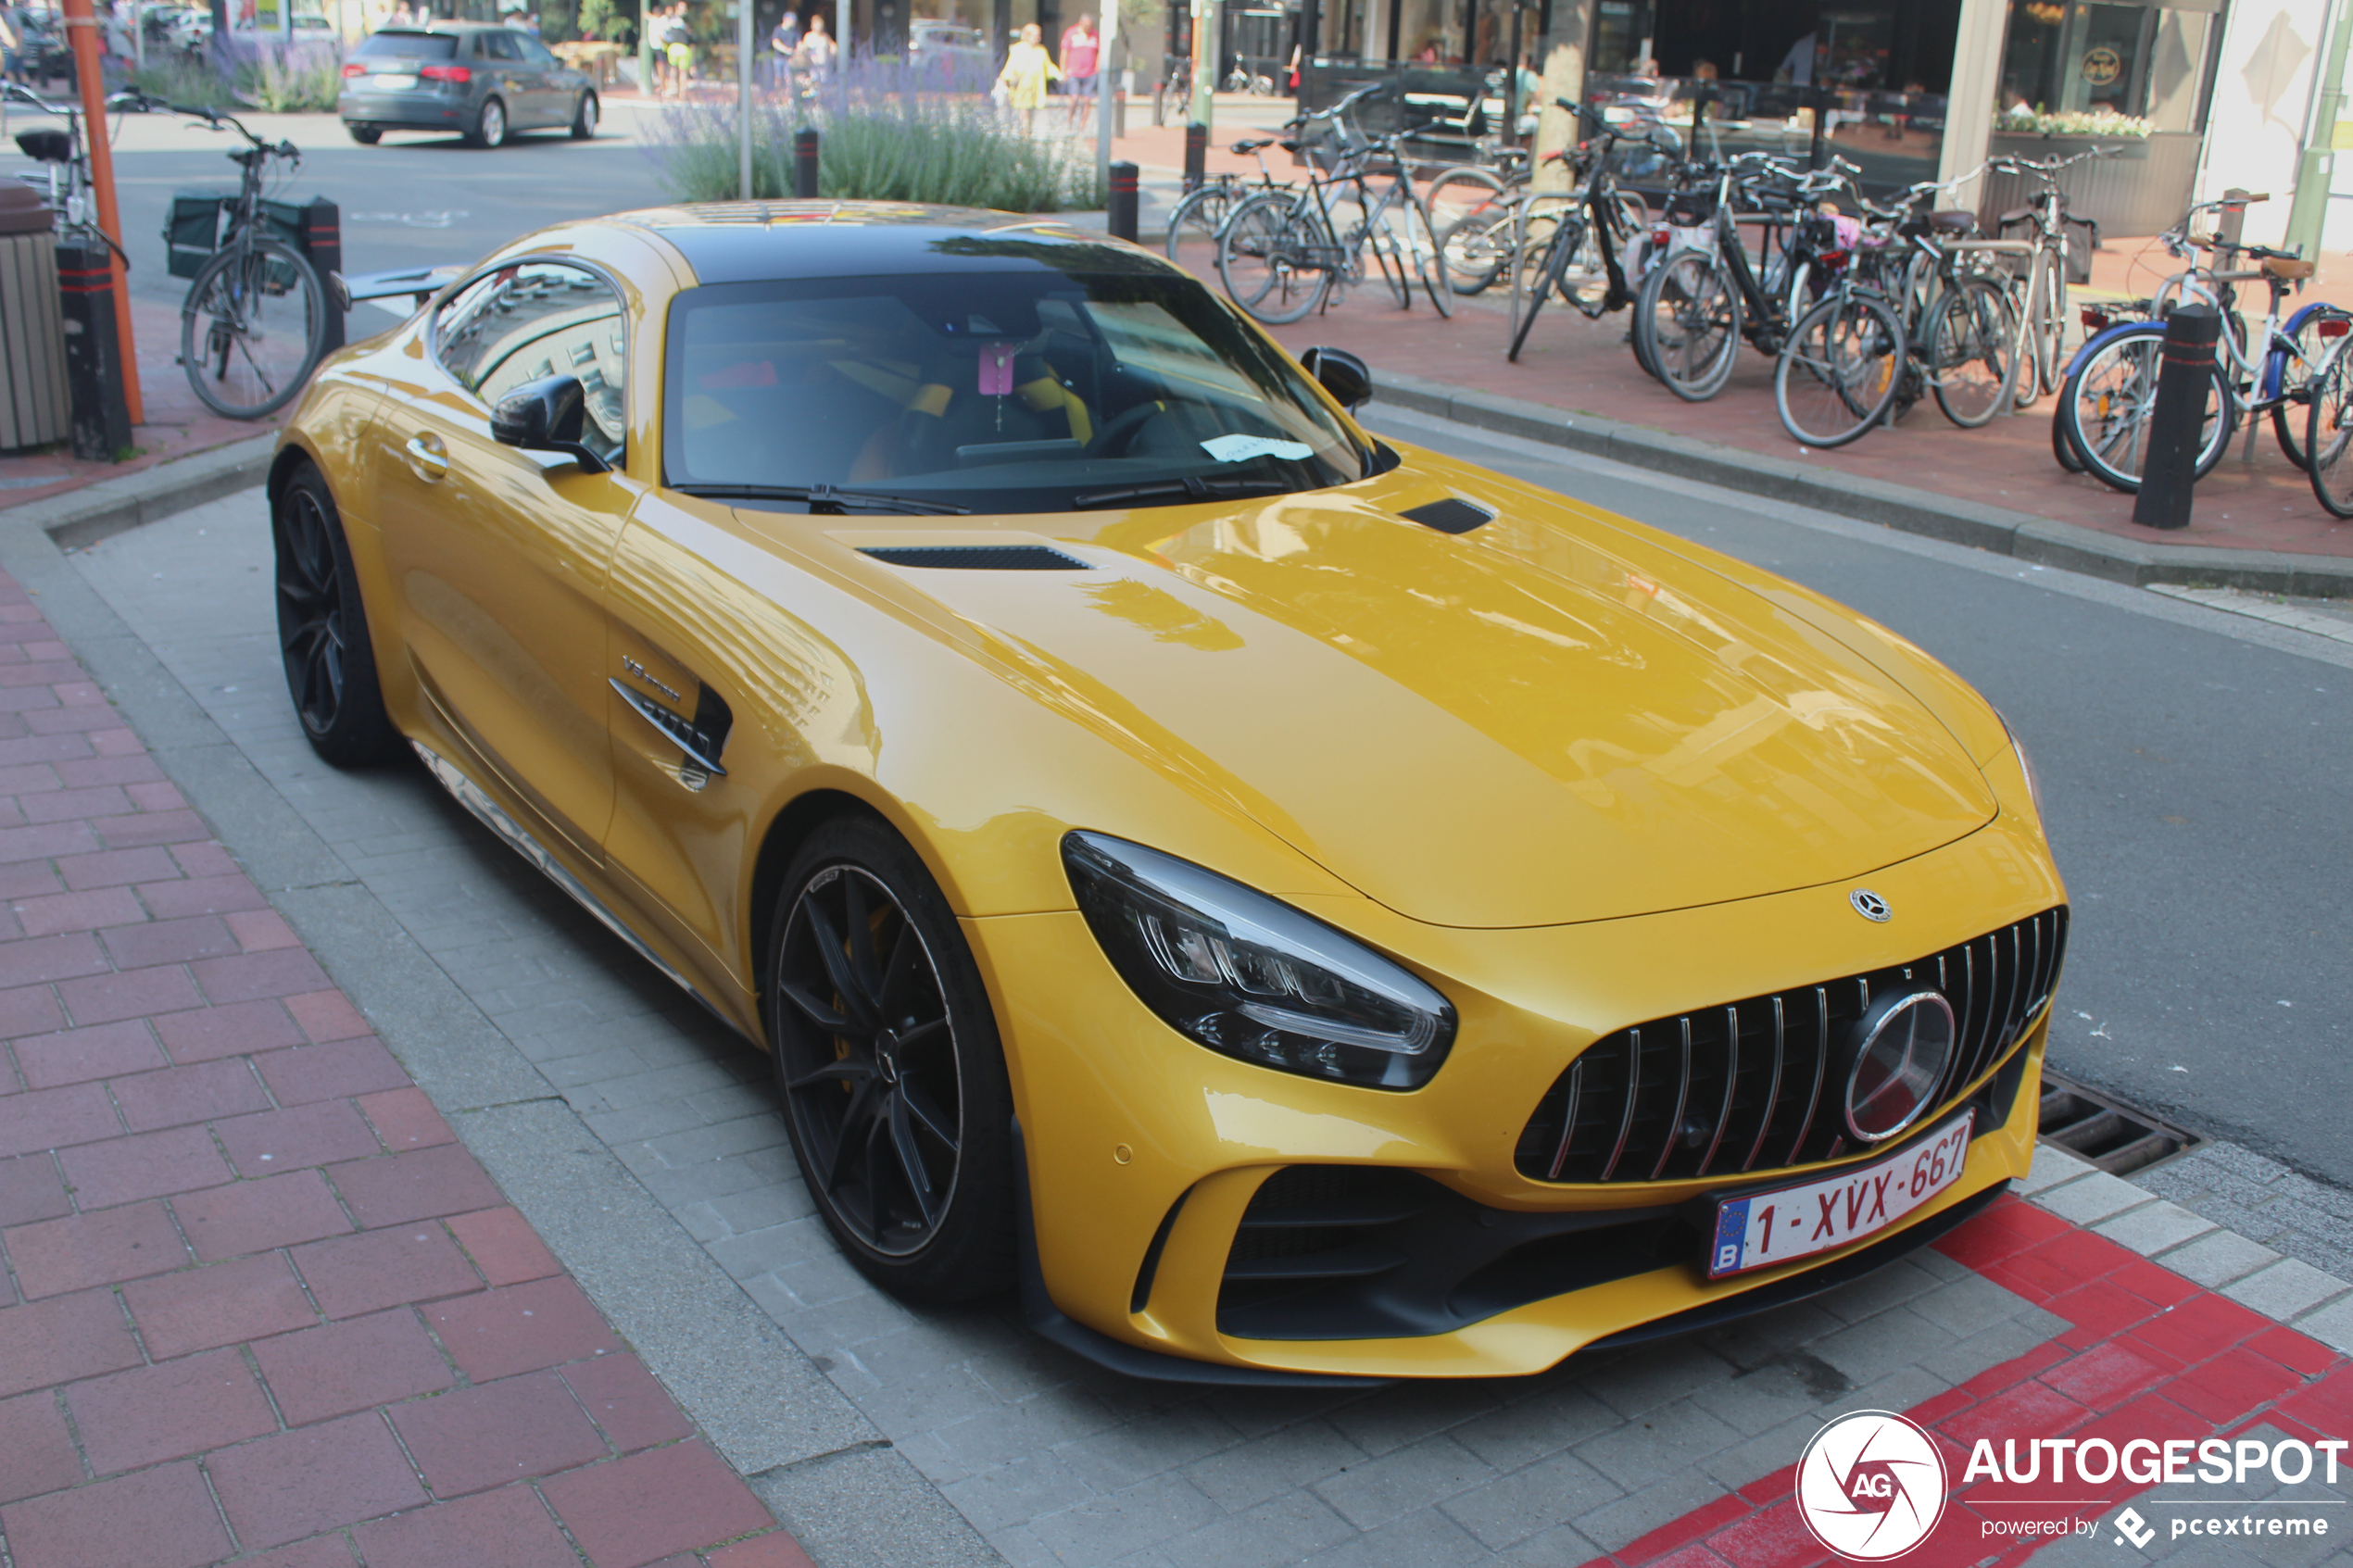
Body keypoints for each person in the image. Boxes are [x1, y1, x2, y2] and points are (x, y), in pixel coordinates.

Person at [995, 21, 1060, 135]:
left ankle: (1026, 133)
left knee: (1032, 112)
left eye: (1039, 35)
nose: (1038, 38)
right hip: (1022, 87)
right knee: (1024, 111)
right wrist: (1004, 79)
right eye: (1036, 35)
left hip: (1036, 88)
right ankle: (1025, 134)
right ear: (1028, 35)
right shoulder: (1018, 48)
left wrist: (1060, 75)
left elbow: (1048, 66)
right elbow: (1011, 66)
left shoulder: (1042, 50)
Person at [1058, 12, 1097, 126]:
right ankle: (1069, 122)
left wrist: (1097, 68)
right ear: (1081, 23)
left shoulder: (1095, 35)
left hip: (1090, 73)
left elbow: (1098, 52)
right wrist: (1063, 71)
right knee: (1074, 98)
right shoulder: (1071, 33)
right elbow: (1064, 53)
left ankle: (1082, 126)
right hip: (1074, 72)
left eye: (1091, 26)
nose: (1089, 28)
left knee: (1087, 100)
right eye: (1087, 26)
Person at [794, 10, 833, 81]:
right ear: (812, 25)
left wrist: (833, 51)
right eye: (816, 24)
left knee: (824, 81)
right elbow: (803, 47)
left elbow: (833, 46)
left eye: (820, 24)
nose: (818, 26)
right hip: (812, 64)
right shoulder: (808, 36)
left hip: (823, 64)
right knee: (814, 81)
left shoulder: (825, 36)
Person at [770, 6, 798, 84]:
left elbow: (799, 43)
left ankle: (787, 94)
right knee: (778, 77)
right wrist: (786, 50)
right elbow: (775, 42)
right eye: (792, 21)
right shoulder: (778, 30)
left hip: (789, 59)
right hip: (778, 58)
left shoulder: (794, 32)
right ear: (786, 20)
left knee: (788, 77)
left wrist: (798, 51)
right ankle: (778, 93)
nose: (793, 23)